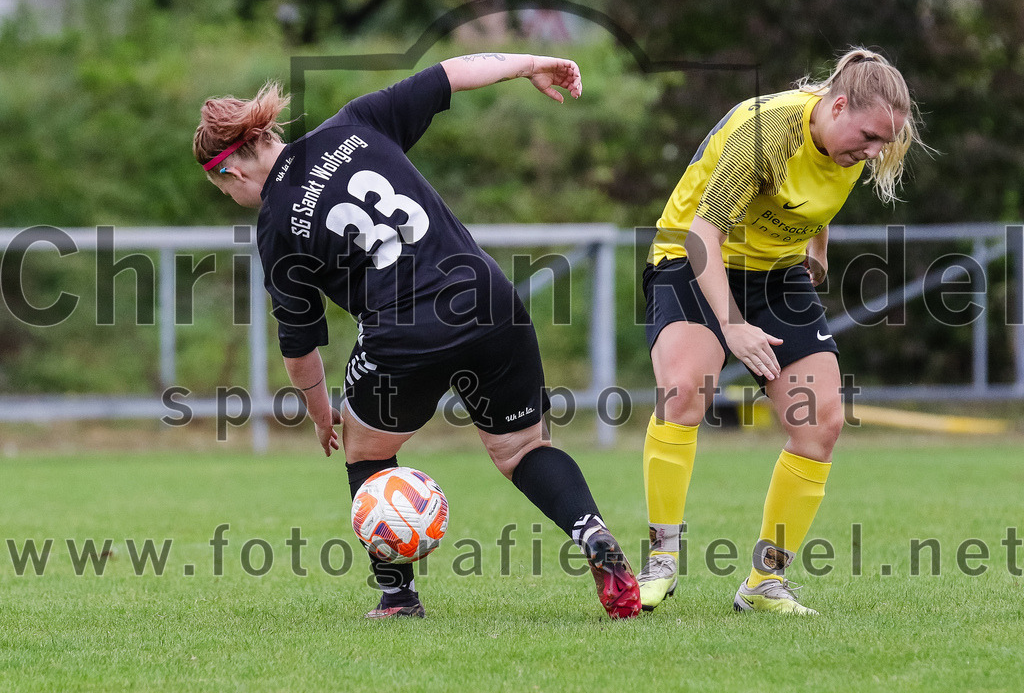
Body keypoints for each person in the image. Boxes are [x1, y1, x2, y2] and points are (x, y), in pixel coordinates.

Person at [192, 53, 641, 620]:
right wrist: (530, 64)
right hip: (488, 300)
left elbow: (299, 342)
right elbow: (451, 73)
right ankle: (591, 531)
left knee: (366, 450)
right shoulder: (354, 124)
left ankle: (398, 597)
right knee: (523, 448)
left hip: (404, 332)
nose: (230, 199)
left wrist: (320, 411)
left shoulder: (277, 224)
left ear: (229, 172)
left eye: (223, 190)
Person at [637, 48, 924, 615]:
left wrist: (816, 252)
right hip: (691, 258)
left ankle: (765, 583)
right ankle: (661, 561)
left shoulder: (856, 147)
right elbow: (703, 235)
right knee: (685, 391)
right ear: (836, 105)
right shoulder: (764, 130)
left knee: (821, 421)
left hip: (776, 273)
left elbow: (815, 201)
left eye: (882, 144)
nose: (871, 153)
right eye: (867, 137)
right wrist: (733, 327)